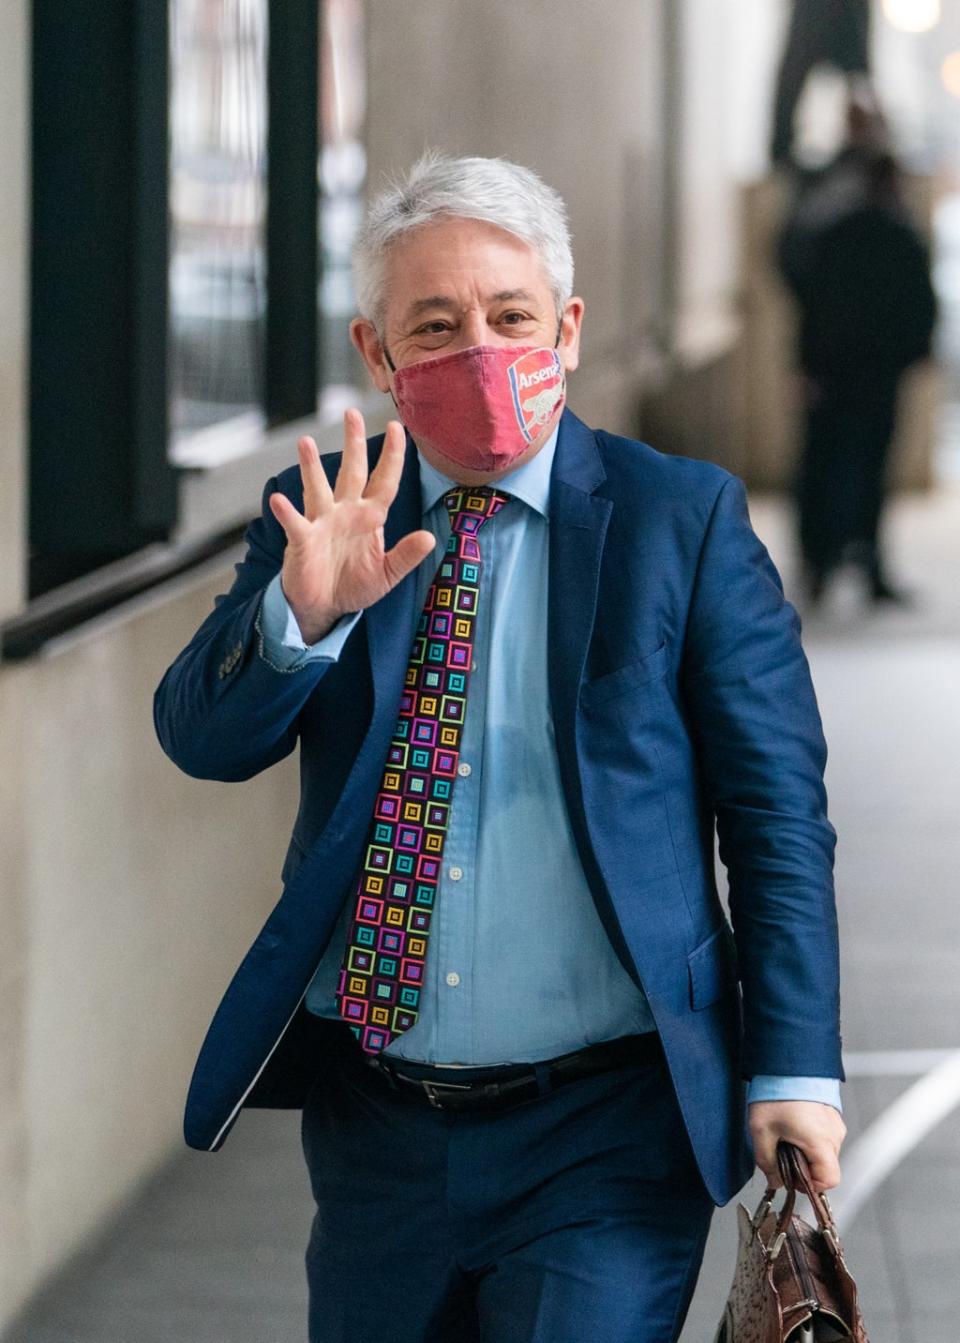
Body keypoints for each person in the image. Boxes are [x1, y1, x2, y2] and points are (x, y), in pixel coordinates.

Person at [154, 154, 846, 1343]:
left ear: (566, 330)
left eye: (511, 316)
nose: (480, 348)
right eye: (436, 324)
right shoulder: (325, 512)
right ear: (377, 354)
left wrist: (795, 1066)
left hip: (608, 1129)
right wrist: (302, 617)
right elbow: (201, 737)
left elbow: (777, 812)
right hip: (379, 1131)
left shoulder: (680, 523)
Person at [777, 144, 938, 604]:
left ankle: (820, 565)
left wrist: (806, 366)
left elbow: (810, 304)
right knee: (869, 470)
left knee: (824, 466)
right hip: (875, 375)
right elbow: (919, 309)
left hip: (836, 375)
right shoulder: (896, 234)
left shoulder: (832, 232)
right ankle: (865, 566)